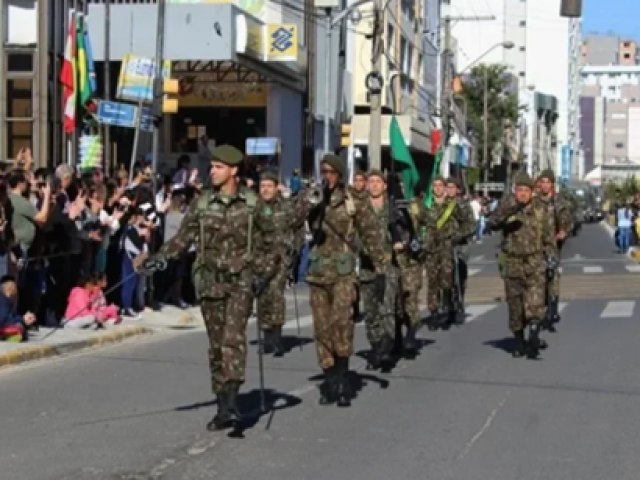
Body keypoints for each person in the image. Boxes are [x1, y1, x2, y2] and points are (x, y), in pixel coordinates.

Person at [150, 145, 279, 431]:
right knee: (217, 346)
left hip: (240, 282)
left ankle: (233, 403)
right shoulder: (203, 202)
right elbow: (183, 238)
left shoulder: (251, 203)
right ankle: (222, 404)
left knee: (233, 340)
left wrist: (263, 274)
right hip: (209, 282)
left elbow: (273, 242)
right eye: (212, 167)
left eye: (219, 167)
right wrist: (159, 259)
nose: (213, 172)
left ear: (233, 171)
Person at [301, 154, 388, 407]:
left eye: (330, 171)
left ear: (339, 174)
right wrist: (307, 202)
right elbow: (292, 220)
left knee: (342, 324)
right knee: (322, 329)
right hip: (318, 274)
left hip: (343, 275)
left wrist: (381, 267)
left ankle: (342, 379)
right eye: (322, 171)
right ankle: (329, 379)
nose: (326, 176)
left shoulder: (353, 201)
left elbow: (371, 234)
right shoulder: (313, 197)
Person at [486, 172, 556, 359]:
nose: (523, 194)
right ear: (514, 191)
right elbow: (492, 223)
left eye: (526, 190)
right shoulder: (508, 207)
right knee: (515, 306)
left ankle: (533, 335)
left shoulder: (542, 210)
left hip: (535, 262)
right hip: (512, 262)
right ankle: (519, 340)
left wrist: (551, 259)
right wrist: (510, 207)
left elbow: (549, 238)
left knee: (535, 303)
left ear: (532, 192)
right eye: (519, 190)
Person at [254, 168, 304, 356]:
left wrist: (296, 249)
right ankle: (266, 337)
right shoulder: (255, 208)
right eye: (262, 186)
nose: (265, 190)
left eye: (269, 186)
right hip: (260, 259)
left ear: (277, 188)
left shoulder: (286, 207)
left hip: (281, 259)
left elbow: (298, 225)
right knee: (262, 297)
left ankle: (276, 339)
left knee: (275, 294)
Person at [358, 170, 397, 369]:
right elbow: (352, 234)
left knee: (387, 310)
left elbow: (403, 232)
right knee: (371, 312)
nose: (373, 185)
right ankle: (375, 347)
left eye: (377, 181)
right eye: (370, 181)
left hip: (387, 266)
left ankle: (386, 349)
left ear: (384, 185)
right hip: (367, 268)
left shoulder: (392, 209)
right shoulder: (360, 209)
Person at [425, 176, 475, 330]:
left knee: (452, 280)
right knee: (433, 281)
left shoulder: (455, 205)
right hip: (432, 249)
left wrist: (459, 235)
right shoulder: (428, 204)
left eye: (443, 186)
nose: (440, 189)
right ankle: (434, 313)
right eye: (436, 186)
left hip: (451, 248)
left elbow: (470, 224)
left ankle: (452, 307)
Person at [534, 169, 572, 331]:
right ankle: (540, 310)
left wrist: (564, 231)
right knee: (537, 279)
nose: (544, 185)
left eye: (547, 182)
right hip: (535, 247)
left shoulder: (558, 202)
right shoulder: (534, 202)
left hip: (552, 246)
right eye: (542, 182)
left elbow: (568, 222)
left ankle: (553, 308)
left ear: (552, 184)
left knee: (552, 276)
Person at [445, 177, 476, 314]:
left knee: (460, 275)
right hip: (445, 244)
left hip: (460, 245)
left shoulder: (463, 205)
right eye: (448, 187)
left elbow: (471, 225)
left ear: (457, 190)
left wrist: (460, 235)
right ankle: (447, 305)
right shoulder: (441, 204)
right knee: (445, 276)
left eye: (452, 187)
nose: (449, 190)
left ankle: (459, 299)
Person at [0, 275, 36, 342]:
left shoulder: (8, 300)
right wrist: (22, 319)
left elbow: (12, 316)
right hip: (3, 327)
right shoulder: (3, 299)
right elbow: (3, 320)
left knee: (20, 327)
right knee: (19, 329)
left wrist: (24, 319)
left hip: (4, 326)